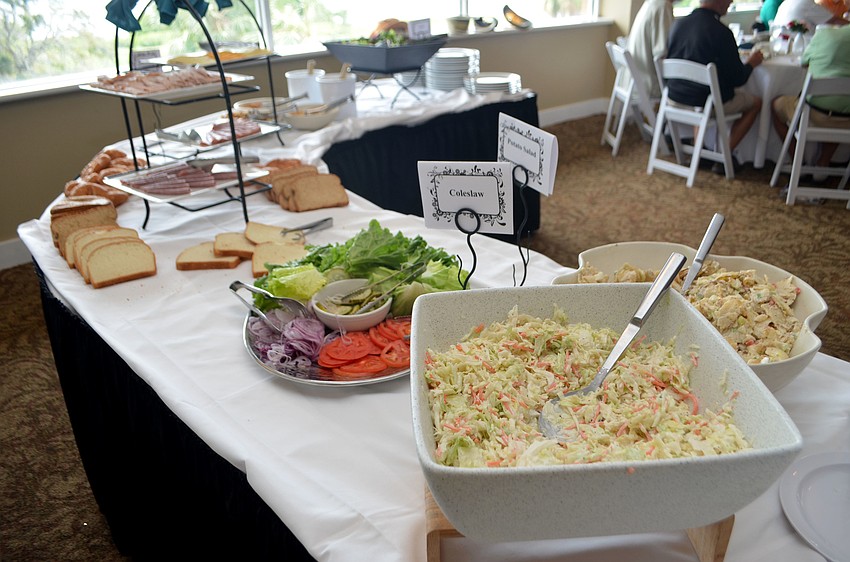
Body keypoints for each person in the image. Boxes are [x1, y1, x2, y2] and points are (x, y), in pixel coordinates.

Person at [665, 0, 764, 174]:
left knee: (703, 92)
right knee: (756, 102)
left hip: (675, 97)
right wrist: (751, 64)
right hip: (704, 102)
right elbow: (738, 78)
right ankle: (723, 154)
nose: (731, 2)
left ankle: (700, 150)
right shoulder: (721, 32)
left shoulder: (678, 24)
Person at [771, 19, 850, 185]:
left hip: (815, 115)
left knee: (777, 104)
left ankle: (797, 163)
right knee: (841, 109)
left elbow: (803, 62)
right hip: (847, 120)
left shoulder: (826, 34)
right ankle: (823, 162)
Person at [626, 0, 676, 99]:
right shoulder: (663, 7)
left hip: (631, 81)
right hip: (648, 84)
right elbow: (661, 53)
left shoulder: (651, 3)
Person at [773, 0, 847, 30]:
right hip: (796, 48)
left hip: (780, 45)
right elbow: (835, 21)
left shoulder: (787, 2)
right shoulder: (807, 3)